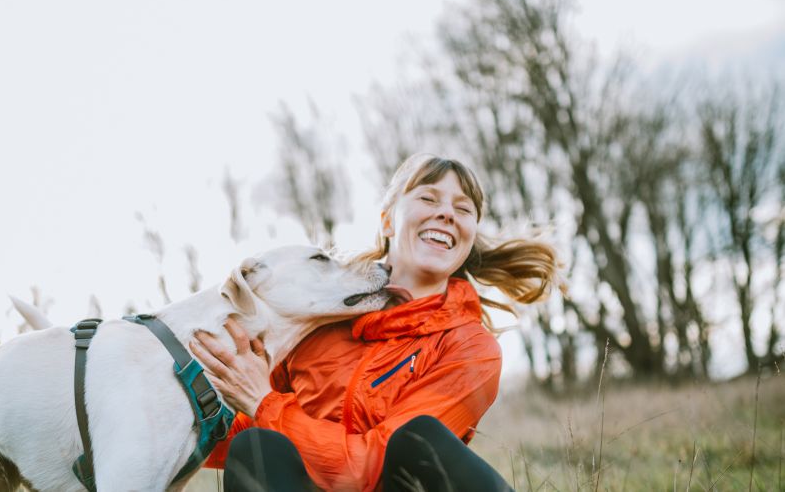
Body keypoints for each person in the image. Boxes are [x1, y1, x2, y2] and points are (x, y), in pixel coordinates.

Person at [190, 154, 561, 491]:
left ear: (468, 236)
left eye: (463, 209)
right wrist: (204, 393)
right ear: (387, 220)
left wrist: (263, 402)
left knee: (419, 438)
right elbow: (245, 425)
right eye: (429, 199)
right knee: (256, 447)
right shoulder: (319, 318)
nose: (447, 213)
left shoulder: (471, 349)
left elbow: (367, 467)